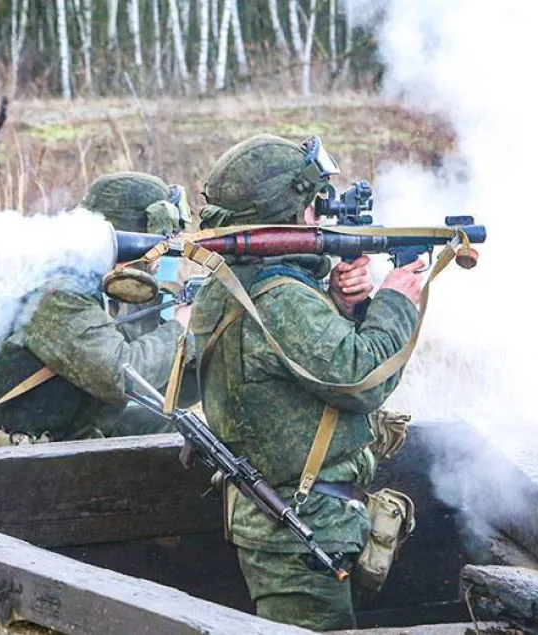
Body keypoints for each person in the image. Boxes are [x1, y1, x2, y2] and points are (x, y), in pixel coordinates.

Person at [188, 134, 424, 631]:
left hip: (288, 520)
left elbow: (287, 367)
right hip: (301, 527)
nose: (322, 213)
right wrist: (398, 298)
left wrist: (341, 305)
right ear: (289, 211)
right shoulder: (279, 297)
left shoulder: (236, 280)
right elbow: (363, 378)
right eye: (313, 204)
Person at [0, 171, 196, 448]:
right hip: (21, 463)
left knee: (179, 428)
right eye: (157, 246)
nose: (159, 262)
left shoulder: (100, 289)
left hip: (65, 444)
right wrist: (182, 328)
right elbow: (122, 375)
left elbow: (160, 387)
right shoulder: (58, 294)